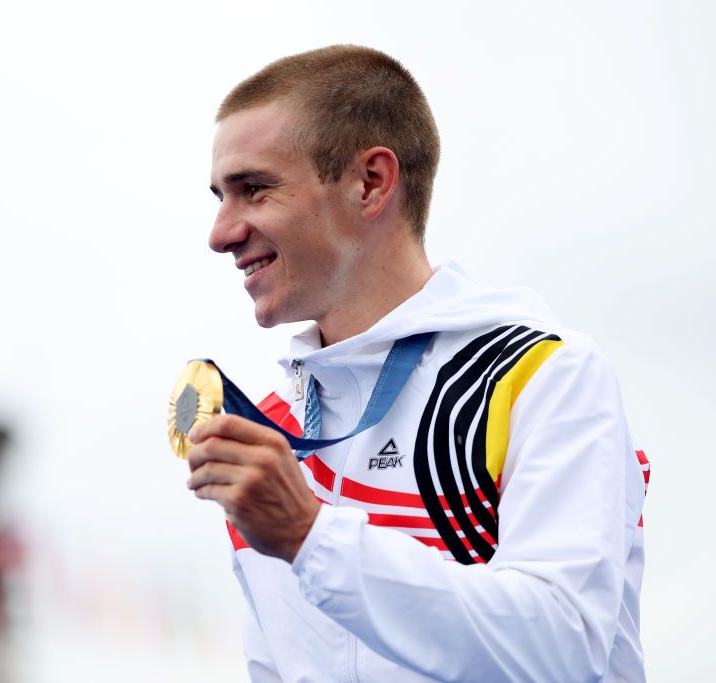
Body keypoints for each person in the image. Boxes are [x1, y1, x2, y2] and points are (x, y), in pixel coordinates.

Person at [185, 45, 648, 682]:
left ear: (371, 183)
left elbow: (564, 651)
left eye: (255, 190)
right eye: (220, 197)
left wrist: (311, 536)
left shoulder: (544, 378)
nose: (220, 231)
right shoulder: (275, 425)